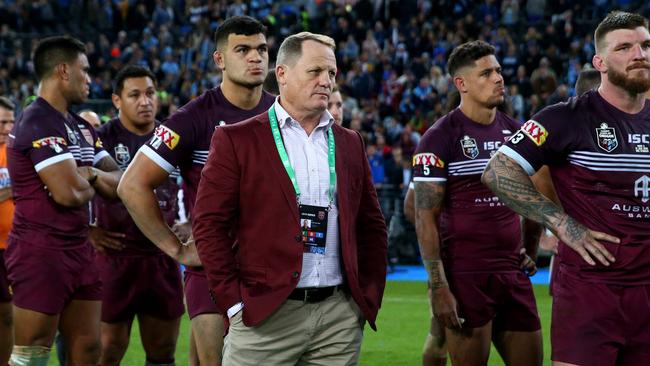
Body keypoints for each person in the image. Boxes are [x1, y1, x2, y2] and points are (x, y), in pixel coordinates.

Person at [192, 31, 387, 365]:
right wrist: (234, 304)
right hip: (264, 317)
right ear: (282, 74)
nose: (326, 81)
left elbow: (372, 226)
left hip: (338, 319)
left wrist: (365, 299)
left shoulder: (350, 142)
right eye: (315, 71)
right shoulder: (236, 139)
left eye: (331, 74)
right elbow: (208, 226)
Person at [483, 11, 650, 366]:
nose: (640, 54)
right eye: (625, 47)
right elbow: (498, 169)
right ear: (599, 62)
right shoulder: (563, 117)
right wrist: (560, 223)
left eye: (646, 45)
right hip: (591, 291)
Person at [117, 16, 275, 366]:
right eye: (243, 49)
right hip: (213, 269)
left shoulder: (283, 115)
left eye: (262, 49)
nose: (255, 57)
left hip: (270, 269)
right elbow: (132, 184)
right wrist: (176, 248)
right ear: (219, 59)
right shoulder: (193, 118)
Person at [413, 40, 543, 366]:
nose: (499, 78)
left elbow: (535, 199)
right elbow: (423, 217)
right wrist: (439, 286)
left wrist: (529, 245)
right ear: (462, 84)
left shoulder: (517, 133)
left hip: (512, 273)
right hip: (465, 273)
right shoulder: (440, 137)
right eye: (486, 73)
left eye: (498, 70)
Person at [5, 36, 121, 366]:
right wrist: (93, 177)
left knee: (88, 348)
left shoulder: (80, 126)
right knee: (32, 353)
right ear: (63, 71)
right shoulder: (38, 120)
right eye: (84, 71)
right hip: (40, 250)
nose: (90, 79)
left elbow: (122, 182)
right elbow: (67, 193)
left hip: (79, 251)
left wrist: (90, 175)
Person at [93, 65, 184, 366]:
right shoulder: (100, 139)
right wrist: (86, 230)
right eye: (135, 95)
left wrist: (192, 222)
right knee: (107, 352)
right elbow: (70, 183)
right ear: (116, 100)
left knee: (163, 353)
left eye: (150, 93)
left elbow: (198, 187)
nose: (145, 101)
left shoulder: (172, 138)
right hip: (115, 258)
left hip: (162, 257)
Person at [404, 183, 447, 366]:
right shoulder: (436, 155)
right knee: (441, 333)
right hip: (452, 263)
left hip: (497, 261)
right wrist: (434, 236)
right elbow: (410, 205)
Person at [0, 96, 15, 366]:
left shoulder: (17, 152)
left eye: (12, 121)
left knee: (8, 315)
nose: (8, 126)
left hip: (14, 247)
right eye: (3, 121)